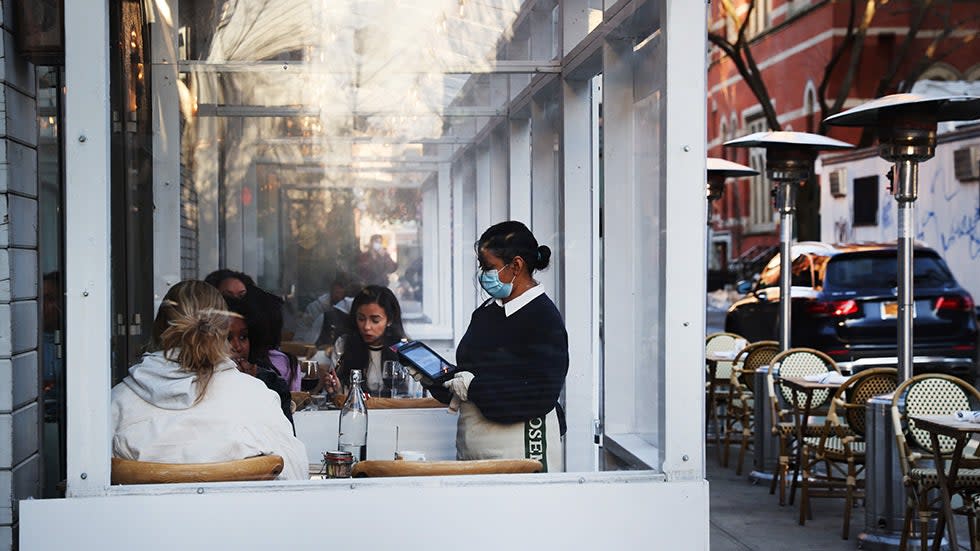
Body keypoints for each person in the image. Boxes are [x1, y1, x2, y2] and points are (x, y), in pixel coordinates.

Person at [110, 280, 308, 480]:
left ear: (159, 329)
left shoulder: (118, 403)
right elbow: (296, 477)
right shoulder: (258, 398)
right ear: (223, 330)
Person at [426, 221, 568, 472]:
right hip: (474, 450)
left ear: (516, 266)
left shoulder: (544, 319)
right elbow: (471, 372)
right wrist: (438, 379)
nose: (482, 274)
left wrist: (474, 387)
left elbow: (539, 393)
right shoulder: (488, 312)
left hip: (520, 449)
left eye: (488, 266)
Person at [225, 295, 295, 429]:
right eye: (228, 338)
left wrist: (254, 389)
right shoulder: (204, 388)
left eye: (243, 337)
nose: (238, 347)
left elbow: (287, 441)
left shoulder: (272, 384)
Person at [333, 285, 407, 397]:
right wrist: (336, 391)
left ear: (390, 320)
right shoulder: (343, 344)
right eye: (361, 319)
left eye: (375, 320)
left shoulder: (403, 348)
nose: (367, 327)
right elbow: (338, 393)